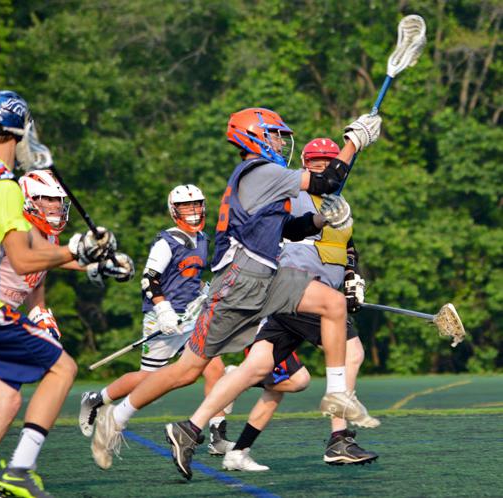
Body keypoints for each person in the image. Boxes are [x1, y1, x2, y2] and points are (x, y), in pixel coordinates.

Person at [90, 107, 381, 480]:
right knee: (186, 371)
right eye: (275, 135)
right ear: (255, 136)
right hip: (239, 282)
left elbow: (290, 230)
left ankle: (338, 397)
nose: (281, 143)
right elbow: (328, 182)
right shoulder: (260, 171)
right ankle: (116, 417)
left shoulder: (264, 176)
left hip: (267, 277)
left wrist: (322, 220)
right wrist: (354, 141)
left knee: (333, 303)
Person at [0, 90, 127, 498]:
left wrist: (89, 259)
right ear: (19, 132)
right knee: (62, 368)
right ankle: (19, 470)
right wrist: (77, 248)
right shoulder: (3, 186)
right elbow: (23, 260)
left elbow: (34, 250)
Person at [222, 137, 378, 472]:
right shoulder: (295, 195)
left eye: (328, 160)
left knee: (264, 372)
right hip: (303, 292)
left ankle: (231, 447)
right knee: (352, 353)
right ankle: (339, 439)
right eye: (315, 161)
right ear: (306, 165)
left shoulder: (339, 203)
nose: (321, 165)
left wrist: (352, 278)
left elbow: (347, 247)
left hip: (306, 297)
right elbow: (286, 234)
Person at [80, 184, 234, 470]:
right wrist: (163, 311)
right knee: (149, 379)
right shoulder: (167, 241)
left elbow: (189, 277)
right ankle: (97, 399)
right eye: (186, 206)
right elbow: (149, 280)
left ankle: (218, 434)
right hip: (163, 317)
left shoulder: (202, 238)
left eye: (197, 204)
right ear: (174, 210)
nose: (193, 211)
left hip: (191, 317)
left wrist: (204, 290)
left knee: (213, 367)